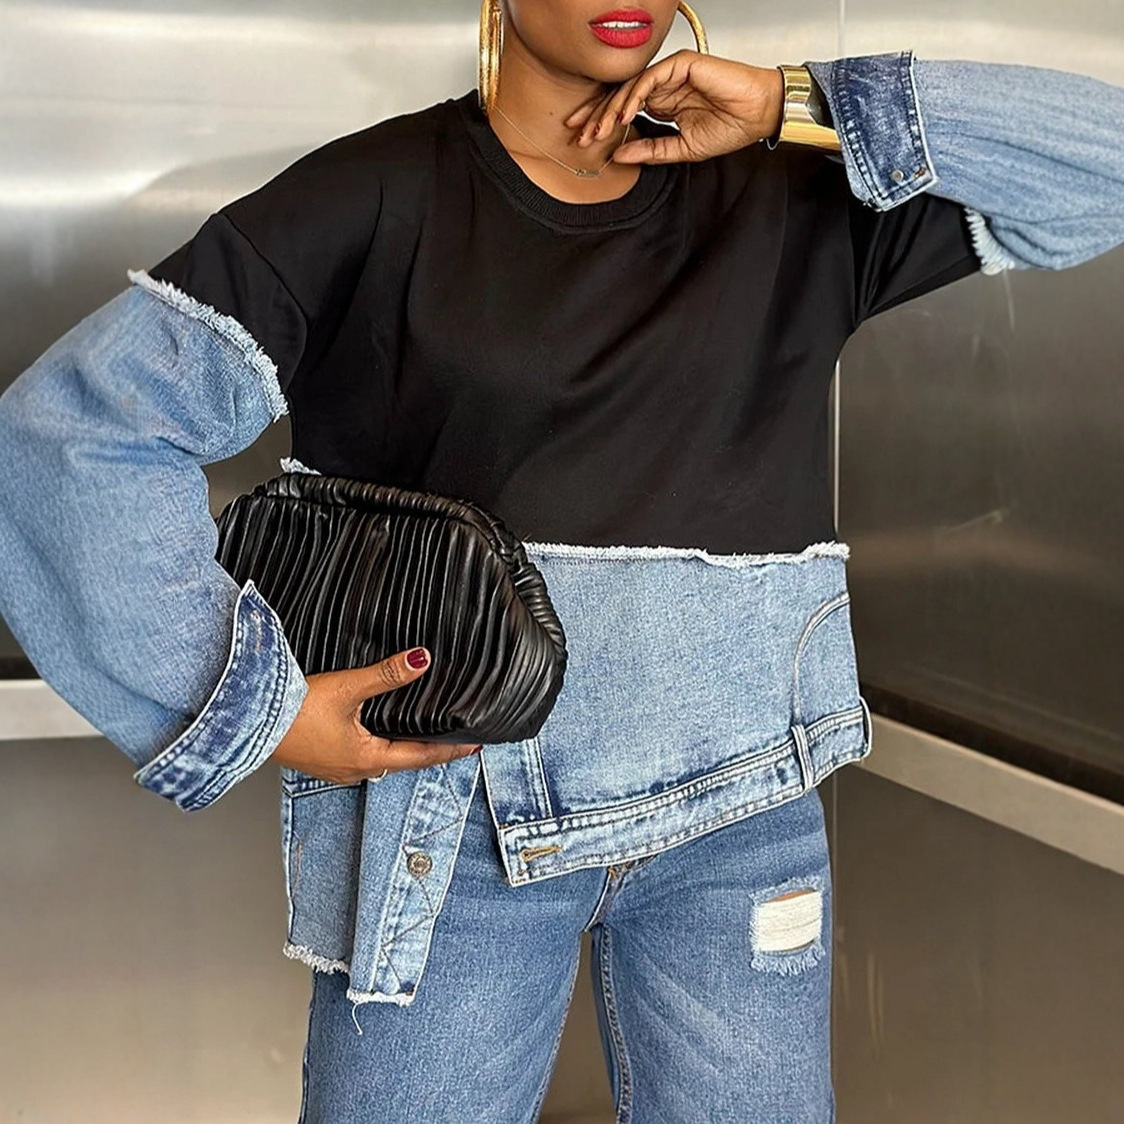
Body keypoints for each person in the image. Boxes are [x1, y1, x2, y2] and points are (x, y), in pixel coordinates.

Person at [1, 2, 1122, 1121]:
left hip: (742, 825)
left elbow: (1104, 170)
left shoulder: (793, 191)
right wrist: (254, 705)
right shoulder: (371, 194)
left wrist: (798, 99)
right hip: (451, 822)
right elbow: (70, 435)